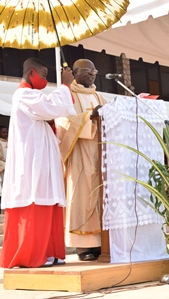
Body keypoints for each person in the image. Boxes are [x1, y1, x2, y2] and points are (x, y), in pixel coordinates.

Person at [0, 57, 75, 268]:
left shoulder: (32, 95)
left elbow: (51, 110)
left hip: (42, 159)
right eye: (43, 75)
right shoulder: (23, 94)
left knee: (48, 201)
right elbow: (51, 107)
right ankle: (32, 256)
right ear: (31, 73)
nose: (45, 80)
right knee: (35, 200)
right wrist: (65, 85)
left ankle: (50, 252)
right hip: (32, 161)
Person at [56, 59, 107, 261]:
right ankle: (82, 247)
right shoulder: (69, 95)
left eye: (94, 71)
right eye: (87, 71)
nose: (92, 74)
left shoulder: (98, 95)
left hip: (100, 154)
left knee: (99, 199)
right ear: (75, 72)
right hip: (79, 154)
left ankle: (101, 243)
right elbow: (62, 122)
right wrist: (88, 119)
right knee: (80, 195)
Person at [0, 126, 6, 208]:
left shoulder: (11, 141)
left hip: (9, 167)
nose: (6, 134)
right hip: (2, 166)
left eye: (6, 132)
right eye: (3, 132)